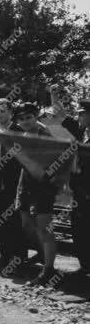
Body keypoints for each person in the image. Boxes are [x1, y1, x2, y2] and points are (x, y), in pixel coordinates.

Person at [14, 102, 60, 285]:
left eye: (29, 117)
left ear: (35, 116)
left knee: (45, 228)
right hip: (26, 182)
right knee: (26, 223)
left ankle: (49, 270)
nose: (25, 121)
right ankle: (43, 254)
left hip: (42, 185)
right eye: (22, 118)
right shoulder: (24, 134)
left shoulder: (44, 133)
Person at [0, 98, 27, 272]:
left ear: (10, 112)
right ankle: (4, 257)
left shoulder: (18, 131)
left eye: (3, 111)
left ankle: (17, 260)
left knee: (13, 221)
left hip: (12, 179)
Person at [70, 100, 90, 276]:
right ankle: (85, 265)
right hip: (79, 189)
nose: (79, 117)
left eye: (82, 114)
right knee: (78, 227)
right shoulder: (81, 132)